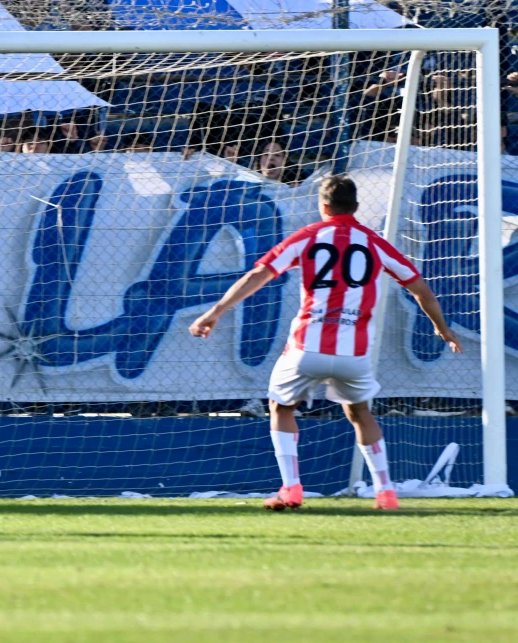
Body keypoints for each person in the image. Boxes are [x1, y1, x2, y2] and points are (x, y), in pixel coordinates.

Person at [188, 175, 461, 511]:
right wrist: (442, 328)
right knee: (360, 413)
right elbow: (420, 288)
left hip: (307, 348)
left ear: (323, 205)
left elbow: (257, 275)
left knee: (281, 407)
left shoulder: (309, 237)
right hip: (354, 352)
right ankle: (386, 492)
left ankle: (291, 489)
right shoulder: (374, 242)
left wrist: (215, 312)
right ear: (356, 207)